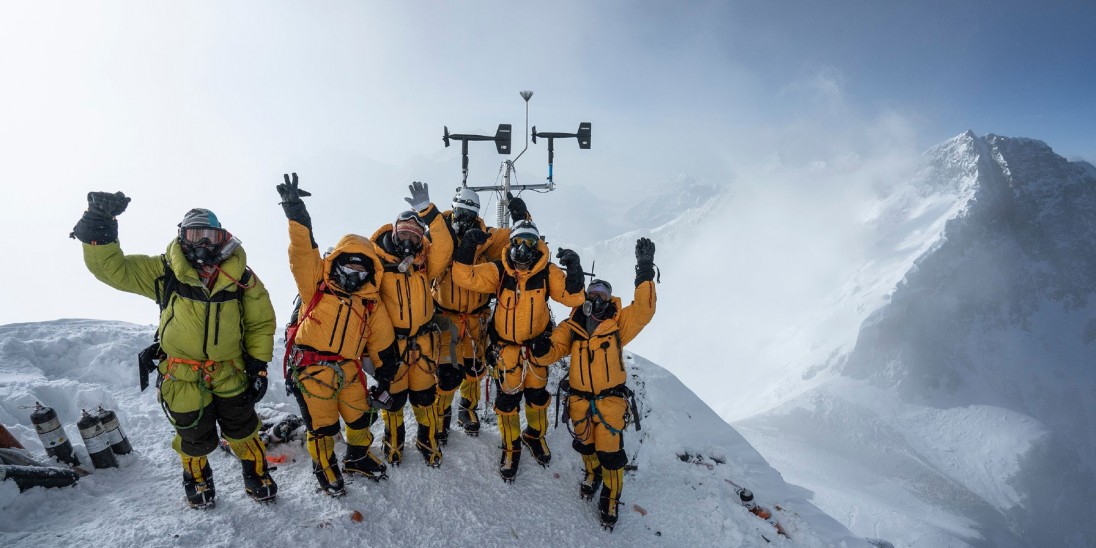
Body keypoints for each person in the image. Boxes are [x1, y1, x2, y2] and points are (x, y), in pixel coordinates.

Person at [71, 192, 278, 509]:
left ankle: (256, 474)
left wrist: (259, 366)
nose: (202, 243)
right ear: (182, 237)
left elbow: (260, 323)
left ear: (222, 239)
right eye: (194, 235)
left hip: (230, 370)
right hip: (181, 373)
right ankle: (197, 479)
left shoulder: (242, 277)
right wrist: (100, 221)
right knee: (193, 434)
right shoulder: (165, 271)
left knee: (244, 428)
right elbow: (113, 269)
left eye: (209, 236)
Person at [276, 173, 402, 496]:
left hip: (348, 368)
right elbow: (303, 252)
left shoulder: (369, 304)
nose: (353, 275)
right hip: (312, 366)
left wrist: (387, 373)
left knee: (360, 417)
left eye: (361, 271)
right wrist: (297, 215)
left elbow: (382, 341)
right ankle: (325, 465)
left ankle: (357, 456)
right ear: (337, 264)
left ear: (369, 274)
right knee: (323, 426)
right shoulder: (316, 283)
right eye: (348, 267)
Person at [528, 237, 657, 530]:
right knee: (585, 446)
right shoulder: (571, 326)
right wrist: (541, 349)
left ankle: (611, 498)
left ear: (610, 299)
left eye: (603, 294)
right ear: (586, 297)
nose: (598, 298)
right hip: (579, 401)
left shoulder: (617, 325)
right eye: (594, 292)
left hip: (610, 403)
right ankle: (591, 474)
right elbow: (555, 348)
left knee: (611, 455)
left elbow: (644, 311)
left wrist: (645, 271)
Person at [452, 215, 586, 482]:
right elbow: (462, 276)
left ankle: (534, 436)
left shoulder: (547, 273)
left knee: (537, 398)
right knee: (507, 402)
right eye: (518, 242)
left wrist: (575, 270)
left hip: (536, 351)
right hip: (507, 352)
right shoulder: (499, 271)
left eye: (530, 243)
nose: (523, 249)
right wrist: (467, 246)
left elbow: (574, 297)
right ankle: (510, 447)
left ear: (537, 247)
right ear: (510, 244)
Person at [368, 182, 454, 467]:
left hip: (423, 343)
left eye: (415, 235)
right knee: (392, 400)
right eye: (403, 232)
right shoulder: (378, 264)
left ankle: (426, 439)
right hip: (392, 346)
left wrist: (428, 212)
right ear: (393, 232)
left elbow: (444, 246)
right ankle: (393, 442)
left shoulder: (425, 264)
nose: (408, 239)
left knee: (425, 397)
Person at [431, 188, 522, 443]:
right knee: (447, 372)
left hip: (475, 318)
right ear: (453, 210)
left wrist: (520, 214)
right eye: (460, 213)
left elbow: (523, 237)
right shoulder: (441, 239)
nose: (464, 220)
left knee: (474, 369)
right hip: (446, 317)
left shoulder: (488, 239)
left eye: (470, 215)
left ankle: (467, 409)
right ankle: (441, 415)